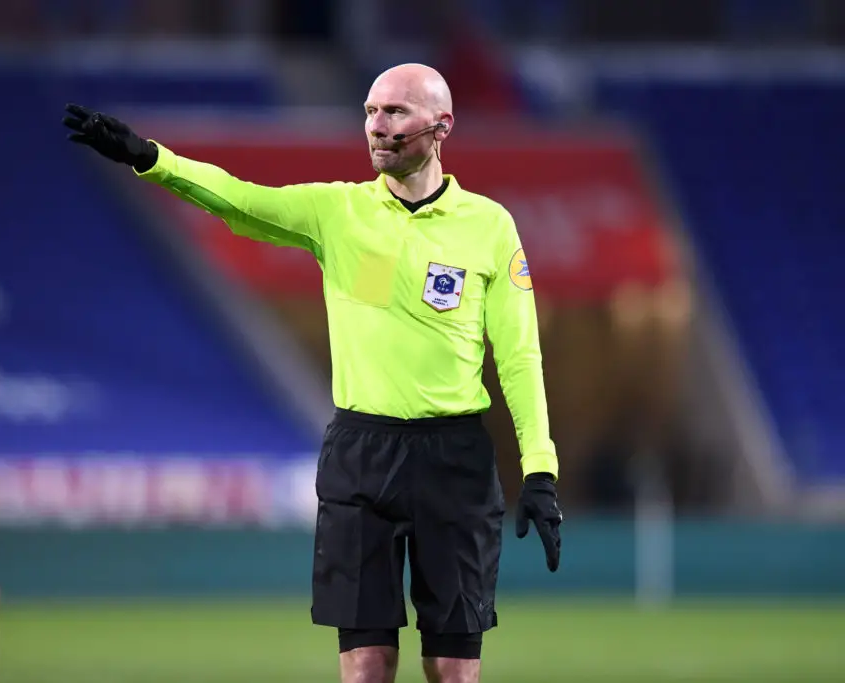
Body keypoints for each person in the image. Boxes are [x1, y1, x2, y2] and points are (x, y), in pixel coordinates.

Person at [63, 62, 563, 683]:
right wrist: (149, 158)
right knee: (366, 667)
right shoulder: (338, 211)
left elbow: (519, 356)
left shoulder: (489, 226)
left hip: (453, 461)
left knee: (452, 670)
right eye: (370, 112)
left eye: (395, 112)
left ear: (442, 126)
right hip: (362, 454)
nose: (376, 126)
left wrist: (539, 469)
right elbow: (240, 200)